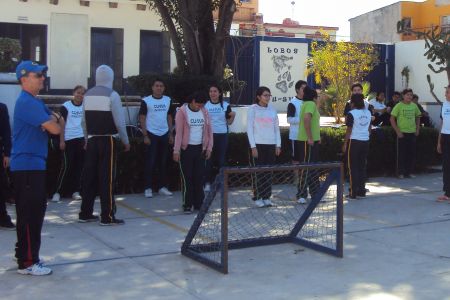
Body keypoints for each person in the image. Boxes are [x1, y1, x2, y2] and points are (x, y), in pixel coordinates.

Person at [11, 61, 62, 275]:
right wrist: (52, 120)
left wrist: (53, 120)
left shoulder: (35, 101)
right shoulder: (28, 102)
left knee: (30, 214)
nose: (42, 78)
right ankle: (30, 261)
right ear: (24, 79)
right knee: (31, 215)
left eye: (42, 75)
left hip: (32, 166)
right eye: (37, 75)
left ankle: (25, 258)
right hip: (28, 167)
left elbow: (57, 121)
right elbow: (55, 127)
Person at [79, 65, 130, 225]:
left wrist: (87, 139)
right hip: (108, 140)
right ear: (111, 77)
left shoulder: (87, 95)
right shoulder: (112, 95)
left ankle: (85, 213)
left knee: (89, 177)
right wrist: (126, 141)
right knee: (106, 178)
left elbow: (83, 121)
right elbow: (120, 123)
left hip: (92, 140)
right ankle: (107, 216)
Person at [173, 91, 213, 214]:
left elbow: (209, 132)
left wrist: (209, 148)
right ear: (192, 101)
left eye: (202, 105)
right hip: (186, 149)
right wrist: (176, 150)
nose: (200, 107)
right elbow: (178, 133)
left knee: (199, 177)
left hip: (200, 149)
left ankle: (199, 204)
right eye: (198, 104)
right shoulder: (182, 112)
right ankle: (187, 204)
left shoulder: (205, 112)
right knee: (187, 178)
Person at [139, 79, 174, 198]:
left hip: (164, 134)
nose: (159, 88)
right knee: (150, 162)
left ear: (164, 88)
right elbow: (142, 118)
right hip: (151, 134)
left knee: (163, 162)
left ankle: (162, 187)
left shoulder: (168, 100)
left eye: (161, 86)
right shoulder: (146, 101)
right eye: (157, 86)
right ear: (152, 87)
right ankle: (148, 188)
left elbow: (169, 117)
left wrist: (170, 133)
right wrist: (145, 135)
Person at [247, 86, 281, 208]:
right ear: (258, 97)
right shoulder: (253, 109)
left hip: (270, 145)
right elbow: (249, 129)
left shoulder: (272, 110)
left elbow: (276, 129)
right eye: (265, 95)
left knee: (268, 172)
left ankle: (266, 197)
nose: (267, 98)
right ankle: (257, 197)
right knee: (258, 172)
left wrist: (278, 145)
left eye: (269, 95)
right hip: (258, 145)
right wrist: (253, 146)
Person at [51, 85, 86, 202]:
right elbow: (62, 124)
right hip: (68, 139)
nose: (80, 95)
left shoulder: (85, 106)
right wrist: (62, 140)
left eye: (82, 93)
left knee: (79, 166)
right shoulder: (66, 106)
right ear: (74, 93)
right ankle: (57, 191)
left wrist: (86, 140)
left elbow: (87, 124)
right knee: (66, 166)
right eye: (78, 92)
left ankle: (76, 191)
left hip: (81, 139)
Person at [204, 84, 235, 191]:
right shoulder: (205, 105)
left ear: (220, 93)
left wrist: (233, 115)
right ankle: (207, 183)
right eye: (211, 91)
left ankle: (222, 183)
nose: (212, 93)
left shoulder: (225, 105)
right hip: (209, 136)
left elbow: (229, 122)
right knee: (209, 160)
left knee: (221, 160)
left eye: (215, 91)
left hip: (222, 135)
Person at [342, 94, 372, 199]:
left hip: (354, 142)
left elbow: (349, 130)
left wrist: (345, 143)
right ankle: (361, 191)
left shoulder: (351, 113)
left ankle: (353, 192)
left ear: (353, 103)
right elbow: (369, 128)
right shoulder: (368, 112)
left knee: (352, 167)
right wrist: (366, 136)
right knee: (362, 166)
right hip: (365, 141)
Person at [297, 86, 321, 204]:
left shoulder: (307, 104)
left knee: (312, 168)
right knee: (307, 168)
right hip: (308, 141)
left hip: (312, 140)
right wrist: (311, 137)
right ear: (314, 97)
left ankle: (315, 194)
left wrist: (317, 137)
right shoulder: (310, 104)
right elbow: (307, 119)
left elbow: (314, 123)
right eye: (318, 97)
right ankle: (301, 195)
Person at [390, 88, 421, 178]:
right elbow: (392, 119)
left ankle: (409, 172)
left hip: (412, 133)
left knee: (411, 153)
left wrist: (417, 129)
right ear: (403, 96)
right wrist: (397, 131)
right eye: (407, 95)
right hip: (402, 133)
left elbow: (418, 117)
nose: (409, 96)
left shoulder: (414, 106)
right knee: (401, 154)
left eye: (411, 95)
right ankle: (400, 173)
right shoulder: (398, 106)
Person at [0, 102, 14, 229]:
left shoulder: (2, 107)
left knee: (1, 185)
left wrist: (7, 154)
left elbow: (6, 131)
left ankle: (2, 218)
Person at [287, 80, 307, 163]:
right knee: (296, 159)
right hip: (296, 136)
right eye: (303, 88)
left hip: (306, 136)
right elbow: (289, 119)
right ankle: (296, 176)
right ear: (297, 89)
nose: (305, 90)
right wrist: (303, 119)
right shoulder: (292, 103)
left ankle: (304, 176)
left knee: (305, 159)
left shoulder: (308, 101)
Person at [436, 86, 450, 202]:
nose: (445, 94)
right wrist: (439, 142)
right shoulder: (444, 105)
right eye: (445, 92)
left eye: (447, 92)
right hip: (445, 137)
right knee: (446, 166)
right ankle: (447, 193)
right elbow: (442, 123)